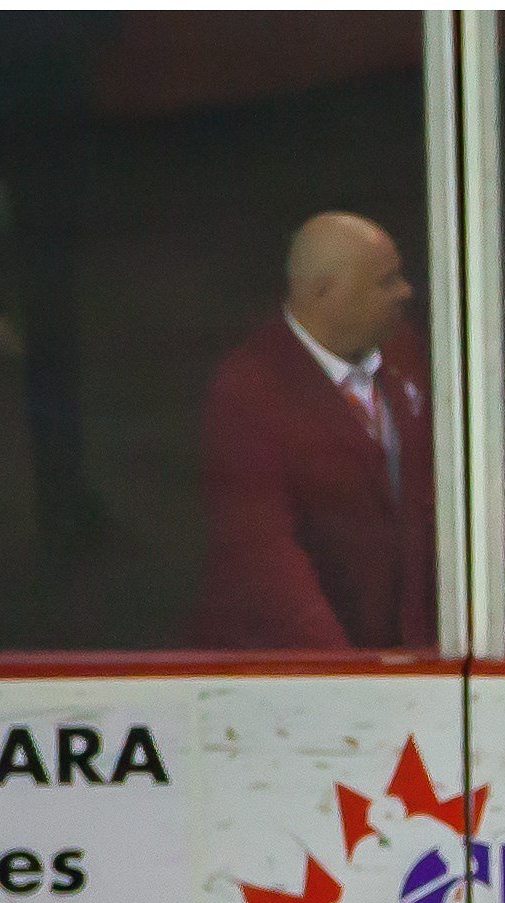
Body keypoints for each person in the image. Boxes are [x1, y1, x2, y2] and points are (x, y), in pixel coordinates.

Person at [191, 212, 436, 653]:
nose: (405, 292)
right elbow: (263, 554)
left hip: (400, 659)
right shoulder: (248, 392)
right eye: (386, 282)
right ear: (324, 293)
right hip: (299, 662)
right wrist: (341, 672)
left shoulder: (402, 350)